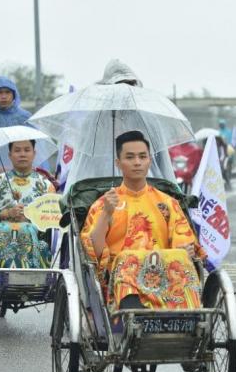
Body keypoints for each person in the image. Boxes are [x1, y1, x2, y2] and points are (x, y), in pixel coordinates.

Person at [80, 131, 205, 311]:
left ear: (149, 160)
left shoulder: (168, 203)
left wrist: (186, 249)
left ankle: (189, 316)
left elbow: (183, 243)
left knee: (181, 258)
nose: (137, 162)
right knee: (128, 258)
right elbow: (95, 253)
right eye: (129, 157)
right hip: (122, 279)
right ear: (118, 163)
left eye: (142, 157)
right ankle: (133, 315)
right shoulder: (103, 204)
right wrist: (107, 213)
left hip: (165, 277)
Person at [63, 59, 176, 190]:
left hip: (143, 192)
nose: (124, 92)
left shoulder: (148, 121)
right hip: (101, 192)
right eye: (119, 86)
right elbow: (80, 166)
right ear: (107, 88)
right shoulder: (92, 122)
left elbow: (164, 165)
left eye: (128, 86)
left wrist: (176, 197)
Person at [0, 139, 56, 269]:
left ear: (34, 153)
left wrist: (29, 217)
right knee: (5, 230)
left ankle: (32, 278)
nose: (22, 154)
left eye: (27, 150)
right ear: (10, 155)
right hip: (0, 227)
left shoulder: (45, 185)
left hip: (34, 230)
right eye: (17, 150)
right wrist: (6, 214)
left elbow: (53, 214)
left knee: (26, 229)